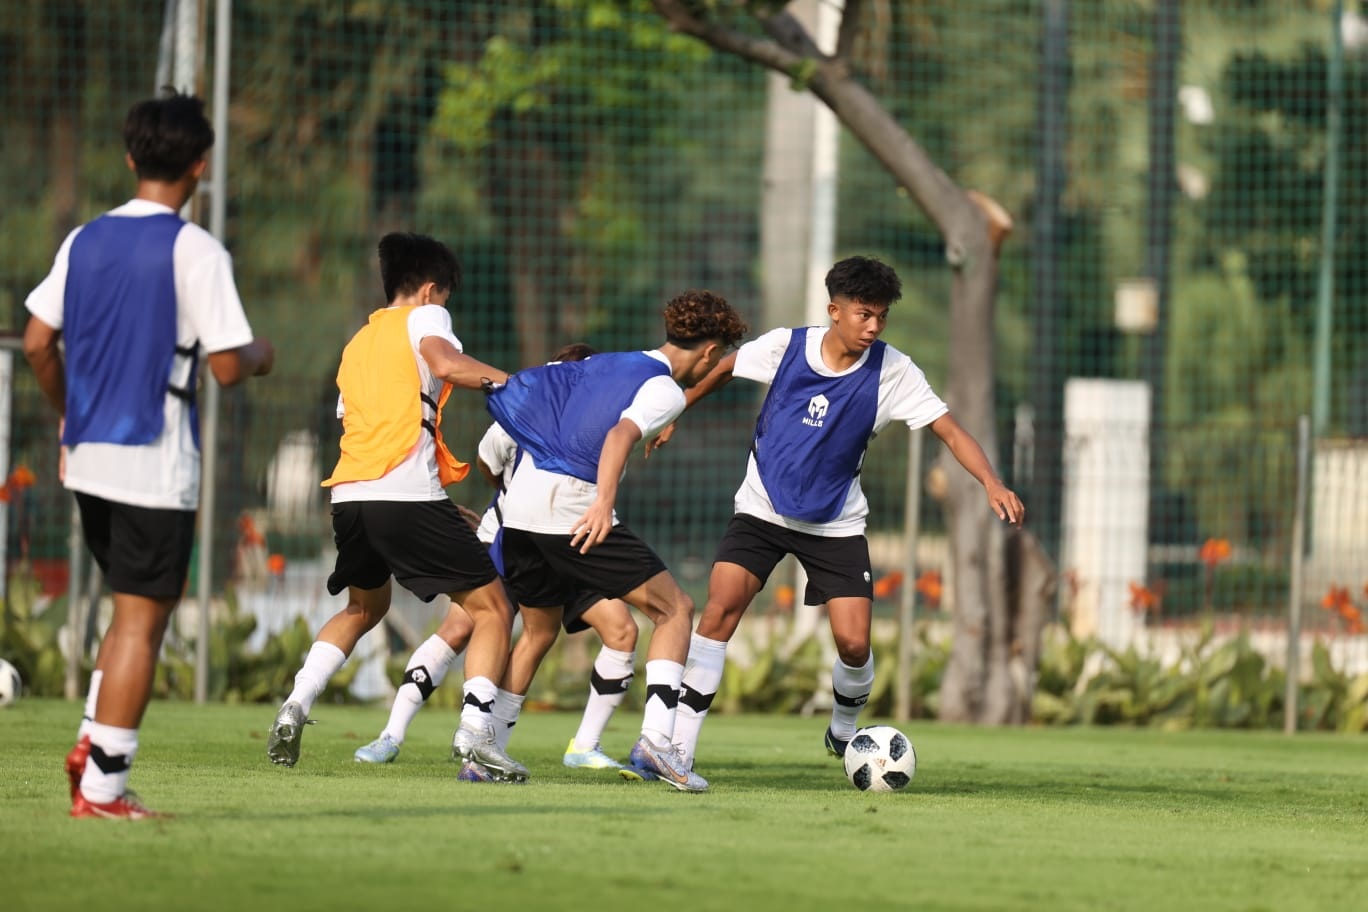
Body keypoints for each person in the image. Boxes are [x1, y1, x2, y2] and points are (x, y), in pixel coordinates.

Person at [661, 255, 1024, 774]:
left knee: (854, 645)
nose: (874, 326)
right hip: (761, 509)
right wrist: (675, 412)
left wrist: (991, 481)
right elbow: (722, 366)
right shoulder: (786, 346)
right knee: (718, 613)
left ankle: (844, 727)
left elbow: (949, 429)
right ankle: (677, 749)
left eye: (881, 316)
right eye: (863, 314)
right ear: (835, 310)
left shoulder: (894, 371)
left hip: (835, 523)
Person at [23, 91, 275, 819]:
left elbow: (38, 341)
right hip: (153, 457)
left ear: (131, 157)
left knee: (126, 611)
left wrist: (69, 409)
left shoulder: (83, 239)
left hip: (88, 456)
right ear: (201, 165)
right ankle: (102, 789)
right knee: (143, 620)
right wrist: (262, 354)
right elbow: (227, 366)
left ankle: (90, 747)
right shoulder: (195, 249)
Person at [265, 232, 527, 783]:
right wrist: (516, 385)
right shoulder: (426, 319)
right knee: (494, 609)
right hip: (402, 496)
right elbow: (447, 363)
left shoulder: (359, 342)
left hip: (351, 498)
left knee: (364, 607)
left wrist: (439, 503)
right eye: (446, 297)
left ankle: (295, 703)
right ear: (431, 290)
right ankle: (476, 736)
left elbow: (373, 427)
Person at [485, 290, 748, 791]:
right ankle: (656, 741)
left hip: (518, 511)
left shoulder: (609, 362)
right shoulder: (665, 388)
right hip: (574, 509)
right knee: (675, 609)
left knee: (537, 632)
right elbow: (619, 435)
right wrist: (604, 500)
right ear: (710, 352)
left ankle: (486, 748)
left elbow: (557, 397)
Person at [353, 344, 641, 772]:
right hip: (510, 536)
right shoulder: (536, 402)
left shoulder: (603, 412)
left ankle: (554, 747)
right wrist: (509, 497)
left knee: (610, 630)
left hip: (574, 539)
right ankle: (391, 734)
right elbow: (490, 460)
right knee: (461, 627)